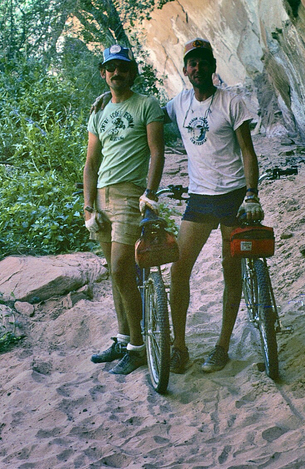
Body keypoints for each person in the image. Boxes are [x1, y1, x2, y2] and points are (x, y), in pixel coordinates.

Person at [165, 38, 263, 374]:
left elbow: (247, 152)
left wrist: (252, 194)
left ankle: (221, 347)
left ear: (213, 66)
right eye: (192, 63)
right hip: (200, 198)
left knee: (230, 269)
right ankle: (179, 348)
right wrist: (109, 97)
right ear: (185, 70)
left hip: (233, 195)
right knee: (178, 269)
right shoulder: (178, 103)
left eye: (203, 62)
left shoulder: (231, 103)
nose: (198, 68)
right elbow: (147, 116)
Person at [83, 44, 165, 375]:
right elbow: (90, 162)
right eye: (110, 68)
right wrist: (89, 206)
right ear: (103, 73)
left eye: (123, 68)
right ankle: (122, 338)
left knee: (121, 268)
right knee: (113, 272)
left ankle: (137, 346)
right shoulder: (98, 112)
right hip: (101, 198)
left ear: (131, 72)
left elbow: (157, 151)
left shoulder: (146, 105)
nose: (117, 73)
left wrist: (150, 192)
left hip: (130, 195)